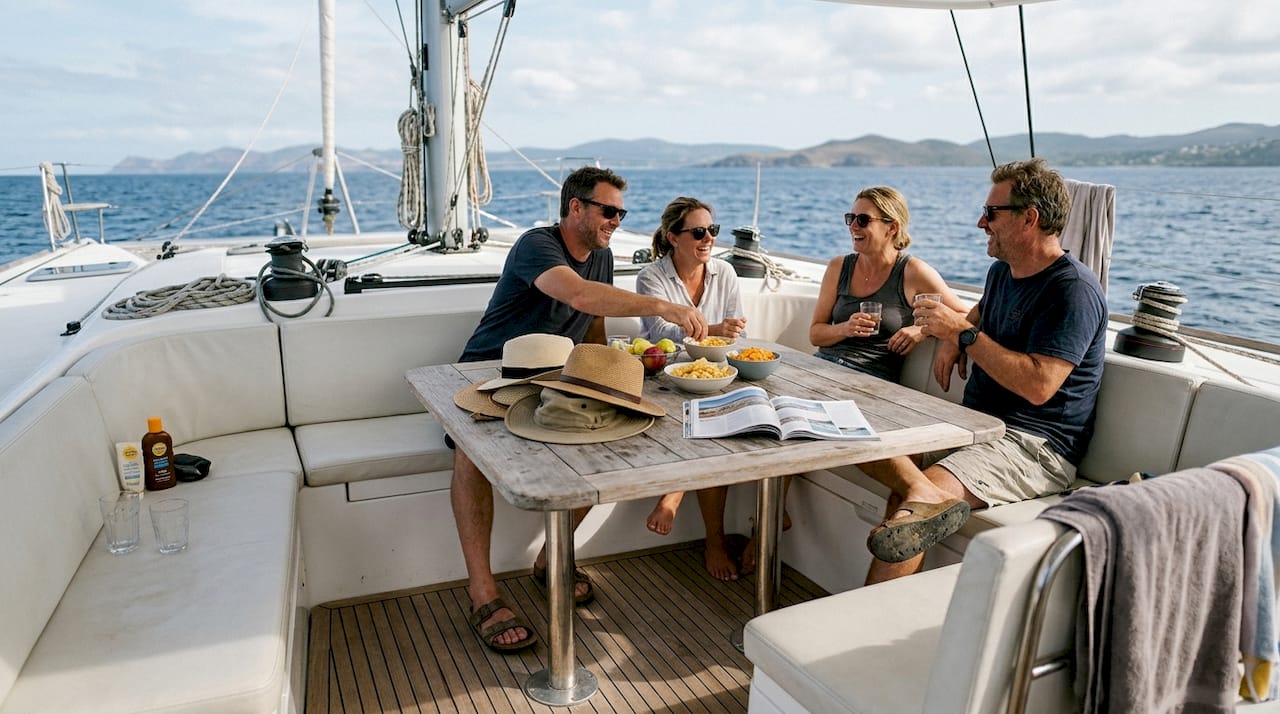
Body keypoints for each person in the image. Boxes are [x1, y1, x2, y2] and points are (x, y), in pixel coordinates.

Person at [452, 166, 709, 653]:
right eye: (608, 210)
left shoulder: (603, 255)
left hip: (556, 377)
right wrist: (662, 306)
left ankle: (551, 560)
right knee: (470, 455)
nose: (616, 220)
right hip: (491, 372)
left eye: (621, 212)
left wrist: (606, 375)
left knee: (609, 435)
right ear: (575, 207)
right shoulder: (537, 246)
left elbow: (590, 323)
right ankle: (482, 591)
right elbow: (577, 294)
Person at [859, 158, 1107, 585]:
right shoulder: (1002, 274)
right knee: (865, 441)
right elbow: (979, 313)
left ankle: (858, 632)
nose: (981, 222)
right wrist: (949, 336)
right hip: (977, 426)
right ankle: (886, 593)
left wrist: (964, 335)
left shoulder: (1074, 292)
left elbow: (1040, 385)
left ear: (1029, 218)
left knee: (913, 504)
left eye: (992, 213)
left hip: (1034, 445)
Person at [635, 197, 751, 580]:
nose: (708, 239)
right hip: (667, 375)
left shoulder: (725, 274)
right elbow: (659, 333)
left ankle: (675, 495)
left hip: (717, 372)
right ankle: (714, 539)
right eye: (698, 232)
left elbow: (738, 333)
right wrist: (716, 330)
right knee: (709, 418)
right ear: (673, 237)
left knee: (748, 410)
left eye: (712, 231)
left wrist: (728, 334)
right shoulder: (651, 277)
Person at [809, 186, 966, 383]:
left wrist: (921, 330)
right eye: (851, 218)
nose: (853, 226)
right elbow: (815, 334)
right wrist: (845, 328)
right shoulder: (838, 267)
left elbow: (964, 315)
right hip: (821, 367)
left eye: (863, 220)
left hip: (872, 381)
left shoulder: (913, 272)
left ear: (892, 228)